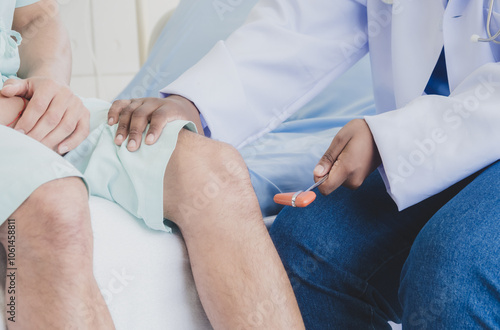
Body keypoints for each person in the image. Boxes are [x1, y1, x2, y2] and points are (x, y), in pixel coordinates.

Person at [114, 0, 500, 328]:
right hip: (429, 145)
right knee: (307, 247)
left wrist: (395, 138)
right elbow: (305, 23)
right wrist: (195, 102)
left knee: (453, 267)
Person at [0, 0, 304, 328]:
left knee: (215, 169)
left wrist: (49, 88)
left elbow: (36, 16)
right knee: (55, 203)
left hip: (18, 102)